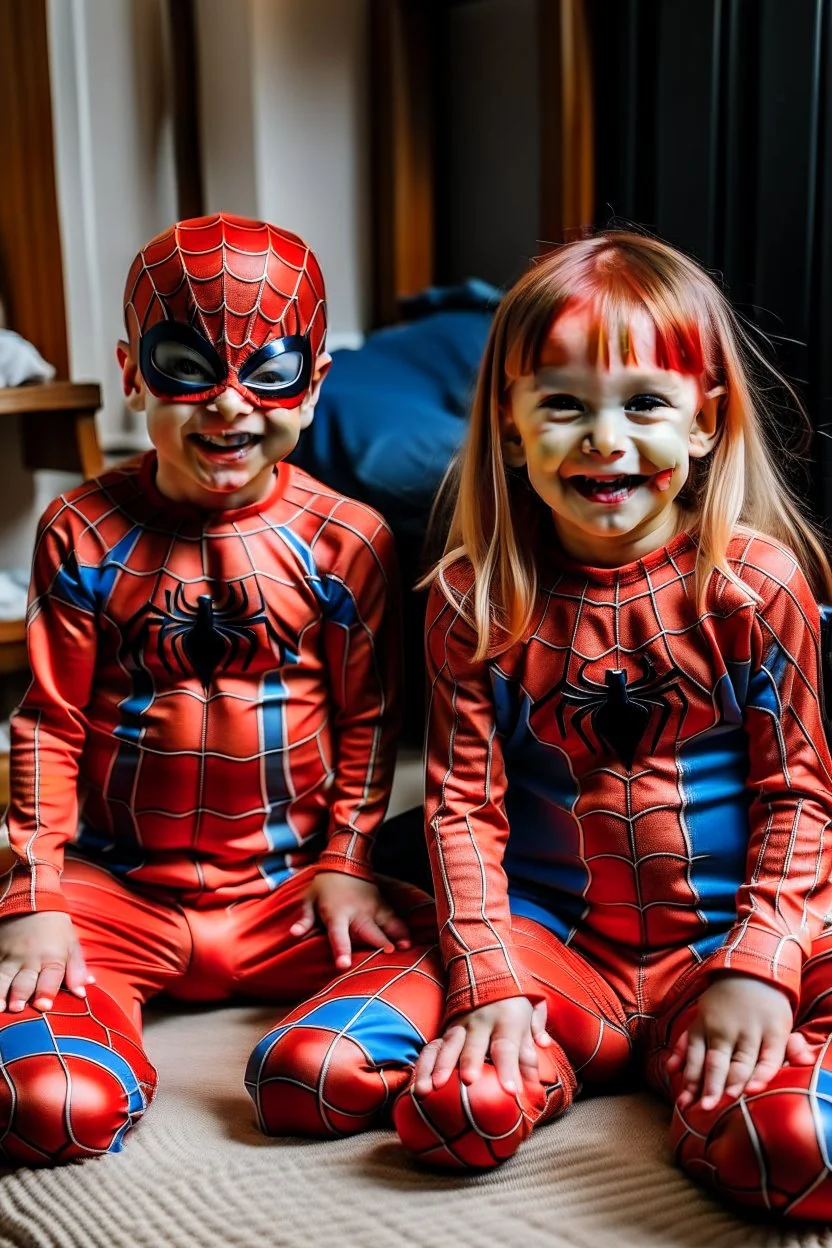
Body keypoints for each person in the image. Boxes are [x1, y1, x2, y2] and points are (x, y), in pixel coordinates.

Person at [264, 231, 832, 1220]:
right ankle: (560, 1049)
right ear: (512, 428)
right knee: (312, 1074)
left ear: (705, 423)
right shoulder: (467, 600)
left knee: (790, 1147)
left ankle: (724, 1072)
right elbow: (458, 809)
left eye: (643, 403)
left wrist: (761, 969)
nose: (602, 439)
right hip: (553, 941)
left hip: (731, 934)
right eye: (562, 404)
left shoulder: (755, 586)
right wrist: (485, 981)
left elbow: (796, 793)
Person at [0, 213, 436, 1165]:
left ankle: (323, 1029)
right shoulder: (81, 525)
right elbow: (49, 720)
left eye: (270, 371)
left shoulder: (347, 538)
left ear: (314, 384)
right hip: (115, 893)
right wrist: (34, 893)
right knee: (44, 1102)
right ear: (129, 369)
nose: (228, 405)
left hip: (293, 894)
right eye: (185, 364)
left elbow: (370, 719)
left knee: (374, 1027)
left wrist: (349, 861)